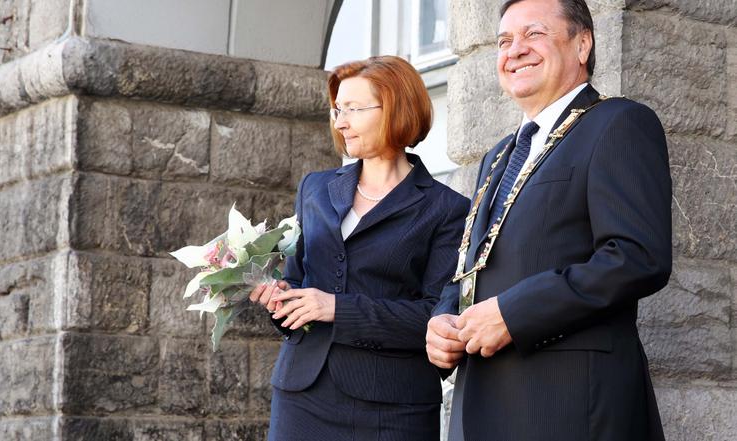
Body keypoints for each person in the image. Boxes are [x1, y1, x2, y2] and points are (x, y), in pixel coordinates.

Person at [425, 0, 671, 440]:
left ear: (583, 44)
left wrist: (512, 313)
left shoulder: (620, 123)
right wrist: (444, 319)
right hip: (481, 403)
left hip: (568, 404)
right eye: (504, 40)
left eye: (533, 34)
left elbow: (636, 257)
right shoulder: (497, 155)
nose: (514, 50)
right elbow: (475, 263)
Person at [249, 55, 470, 441]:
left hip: (392, 405)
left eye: (353, 109)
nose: (340, 122)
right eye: (337, 110)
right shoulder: (314, 189)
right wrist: (280, 298)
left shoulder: (447, 209)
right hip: (302, 393)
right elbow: (297, 282)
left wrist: (336, 307)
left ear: (396, 108)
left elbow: (435, 317)